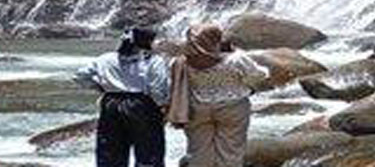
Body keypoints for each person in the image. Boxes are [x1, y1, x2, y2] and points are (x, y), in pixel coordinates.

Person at [166, 23, 267, 167]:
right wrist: (249, 87)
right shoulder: (235, 59)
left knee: (198, 152)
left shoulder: (181, 61)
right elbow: (259, 75)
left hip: (197, 108)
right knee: (231, 151)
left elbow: (173, 81)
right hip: (233, 107)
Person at [76, 27, 171, 167]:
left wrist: (100, 88)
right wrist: (162, 106)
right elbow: (157, 89)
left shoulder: (105, 58)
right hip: (141, 104)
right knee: (149, 151)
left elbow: (80, 76)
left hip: (111, 103)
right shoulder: (153, 60)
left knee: (110, 150)